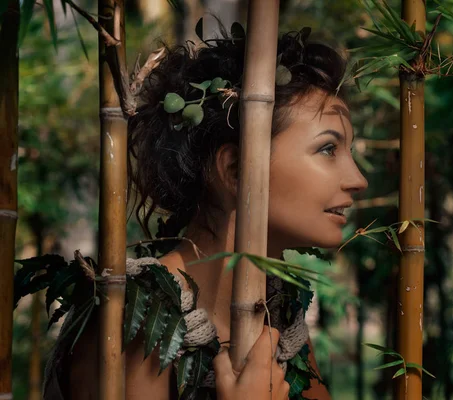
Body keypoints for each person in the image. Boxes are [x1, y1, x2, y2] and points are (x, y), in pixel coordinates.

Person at [62, 26, 367, 400]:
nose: (358, 180)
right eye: (327, 149)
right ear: (236, 171)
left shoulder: (281, 316)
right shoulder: (139, 317)